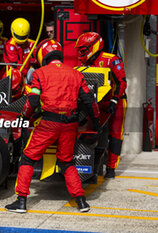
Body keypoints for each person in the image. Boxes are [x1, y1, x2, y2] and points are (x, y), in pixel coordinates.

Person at [5, 39, 101, 213]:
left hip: (48, 123)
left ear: (44, 55)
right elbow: (89, 101)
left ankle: (21, 201)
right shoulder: (76, 74)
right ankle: (81, 202)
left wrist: (24, 116)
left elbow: (32, 100)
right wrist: (96, 123)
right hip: (70, 124)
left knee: (28, 158)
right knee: (67, 162)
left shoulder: (40, 73)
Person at [75, 32, 127, 179]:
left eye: (83, 50)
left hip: (116, 102)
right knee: (94, 133)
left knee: (116, 134)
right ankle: (93, 164)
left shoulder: (112, 60)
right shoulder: (84, 64)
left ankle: (111, 168)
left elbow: (122, 82)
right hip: (95, 104)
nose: (80, 53)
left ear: (94, 47)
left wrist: (115, 100)